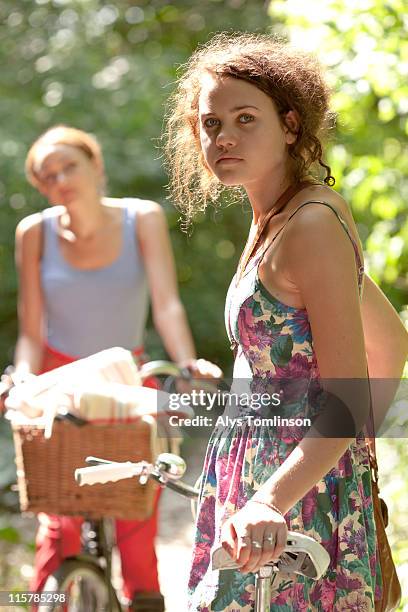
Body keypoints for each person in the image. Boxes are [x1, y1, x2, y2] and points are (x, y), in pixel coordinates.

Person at [164, 33, 408, 611]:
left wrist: (283, 493)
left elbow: (348, 396)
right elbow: (392, 340)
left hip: (292, 495)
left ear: (291, 126)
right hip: (263, 481)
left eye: (245, 118)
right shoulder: (279, 216)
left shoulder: (313, 224)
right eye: (210, 123)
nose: (223, 136)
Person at [15, 125, 220, 612]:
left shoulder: (141, 218)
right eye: (48, 175)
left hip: (127, 378)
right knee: (59, 515)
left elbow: (166, 306)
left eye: (70, 166)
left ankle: (143, 600)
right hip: (59, 384)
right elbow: (30, 329)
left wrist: (186, 362)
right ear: (42, 187)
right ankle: (49, 599)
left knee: (135, 508)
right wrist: (20, 378)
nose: (61, 179)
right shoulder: (34, 233)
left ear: (97, 167)